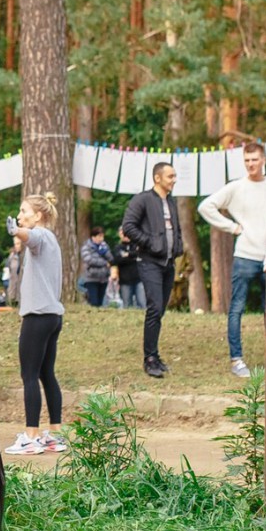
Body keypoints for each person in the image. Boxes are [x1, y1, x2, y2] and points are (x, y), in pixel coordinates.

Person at [198, 143, 266, 378]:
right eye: (247, 160)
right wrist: (232, 227)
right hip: (244, 256)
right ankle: (237, 359)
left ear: (263, 160)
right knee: (237, 308)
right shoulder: (236, 187)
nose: (251, 164)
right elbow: (206, 206)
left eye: (255, 159)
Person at [5, 194, 68, 455]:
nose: (20, 215)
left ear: (38, 216)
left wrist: (16, 231)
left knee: (29, 376)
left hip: (37, 316)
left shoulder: (41, 236)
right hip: (53, 316)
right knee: (46, 374)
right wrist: (20, 233)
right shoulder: (51, 240)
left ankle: (30, 437)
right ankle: (55, 434)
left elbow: (31, 237)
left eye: (24, 211)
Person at [120, 161, 183, 378]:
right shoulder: (143, 199)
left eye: (174, 176)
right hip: (149, 263)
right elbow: (128, 225)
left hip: (169, 263)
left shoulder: (171, 201)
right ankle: (149, 359)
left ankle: (155, 354)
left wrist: (178, 246)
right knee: (154, 308)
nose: (174, 180)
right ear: (158, 178)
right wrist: (149, 242)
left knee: (160, 311)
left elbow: (176, 229)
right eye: (170, 176)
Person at [76, 224, 111, 307]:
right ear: (93, 237)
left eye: (102, 236)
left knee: (101, 301)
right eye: (99, 236)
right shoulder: (86, 247)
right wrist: (104, 263)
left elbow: (110, 258)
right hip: (91, 277)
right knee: (93, 301)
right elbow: (89, 260)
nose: (101, 239)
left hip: (103, 278)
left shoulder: (105, 246)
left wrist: (105, 253)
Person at [108, 229, 142, 308]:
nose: (125, 236)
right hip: (125, 280)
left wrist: (127, 255)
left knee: (142, 303)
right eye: (123, 234)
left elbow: (139, 254)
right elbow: (116, 260)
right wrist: (131, 256)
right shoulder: (117, 247)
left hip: (138, 278)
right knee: (127, 304)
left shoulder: (136, 245)